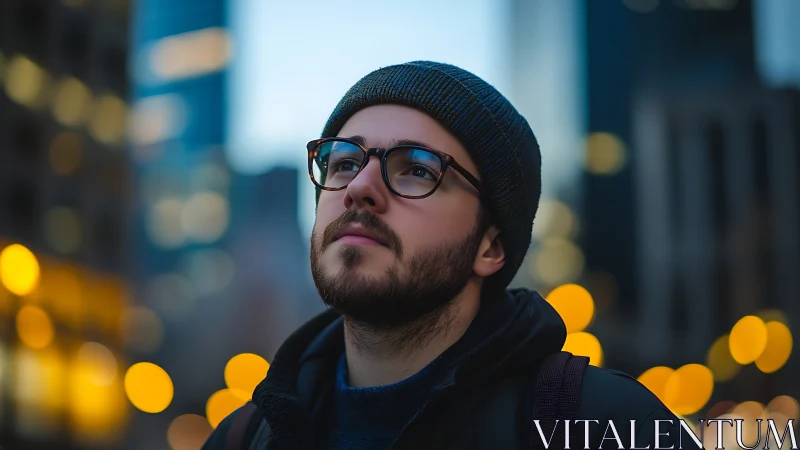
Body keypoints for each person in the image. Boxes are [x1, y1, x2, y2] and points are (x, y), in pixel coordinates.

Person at [202, 61, 679, 450]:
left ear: (490, 246)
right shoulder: (243, 438)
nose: (359, 187)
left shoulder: (609, 426)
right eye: (344, 162)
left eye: (417, 169)